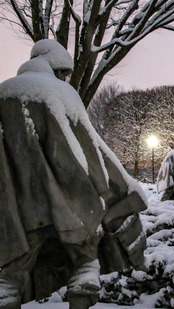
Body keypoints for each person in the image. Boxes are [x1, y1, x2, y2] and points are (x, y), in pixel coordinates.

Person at [0, 39, 147, 309]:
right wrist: (116, 186)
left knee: (11, 276)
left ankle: (8, 287)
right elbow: (89, 151)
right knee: (85, 256)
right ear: (56, 68)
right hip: (66, 204)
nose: (66, 78)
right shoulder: (59, 93)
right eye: (65, 73)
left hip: (16, 208)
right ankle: (83, 282)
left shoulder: (2, 93)